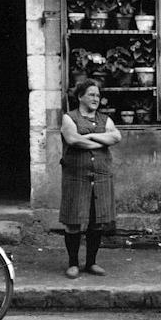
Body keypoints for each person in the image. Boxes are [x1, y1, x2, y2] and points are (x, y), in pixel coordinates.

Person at [60, 79, 122, 279]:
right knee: (73, 221)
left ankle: (91, 263)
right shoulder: (69, 118)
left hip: (101, 177)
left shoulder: (105, 119)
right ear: (80, 96)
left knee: (97, 222)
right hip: (76, 177)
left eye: (98, 95)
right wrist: (100, 139)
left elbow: (116, 137)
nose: (96, 98)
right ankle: (73, 264)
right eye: (91, 95)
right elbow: (73, 140)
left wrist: (88, 137)